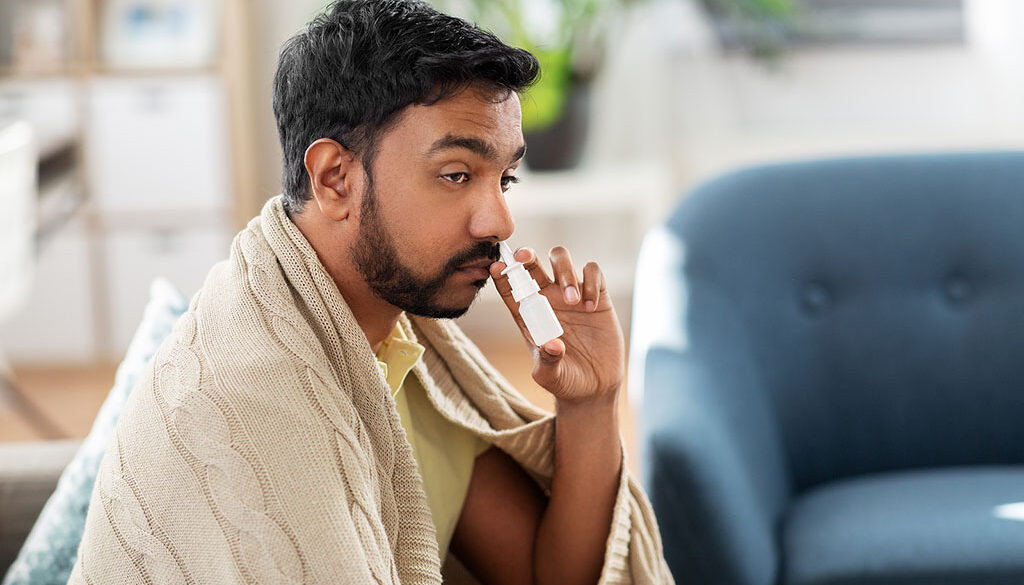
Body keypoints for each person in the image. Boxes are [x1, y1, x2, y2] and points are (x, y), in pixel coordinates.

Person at [69, 1, 672, 583]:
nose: (499, 221)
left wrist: (592, 403)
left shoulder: (396, 349)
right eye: (457, 175)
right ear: (335, 178)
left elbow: (544, 576)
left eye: (504, 178)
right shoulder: (248, 400)